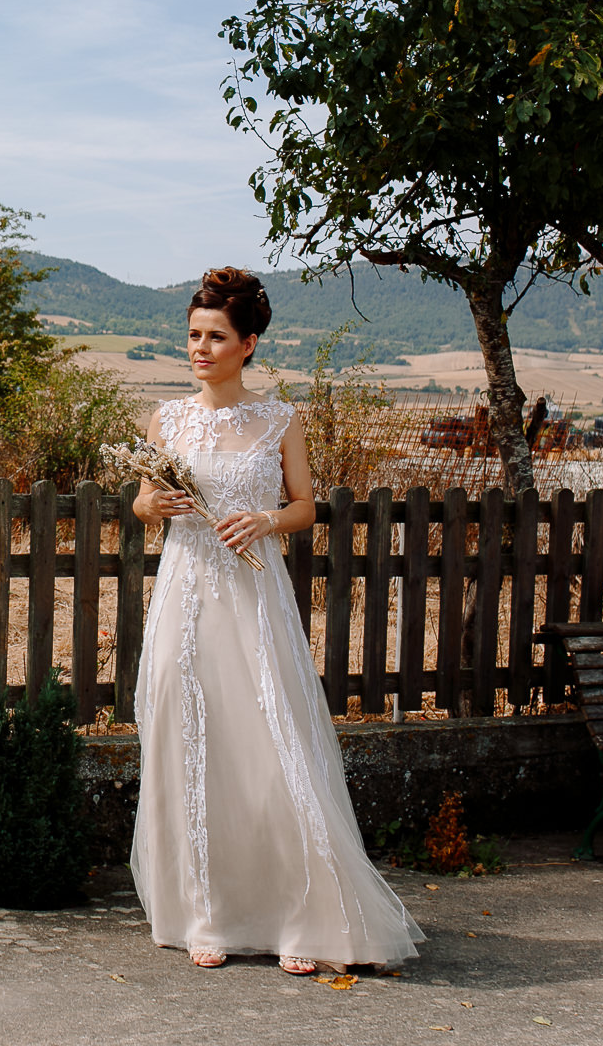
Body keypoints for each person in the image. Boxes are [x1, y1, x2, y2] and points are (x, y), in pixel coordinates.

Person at [129, 267, 426, 972]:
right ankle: (206, 916)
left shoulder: (280, 419)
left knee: (269, 750)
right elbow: (143, 498)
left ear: (249, 343)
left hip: (254, 603)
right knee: (192, 744)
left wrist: (264, 519)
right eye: (194, 335)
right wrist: (155, 506)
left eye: (215, 336)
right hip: (185, 596)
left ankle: (299, 918)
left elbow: (306, 506)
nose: (200, 348)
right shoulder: (165, 419)